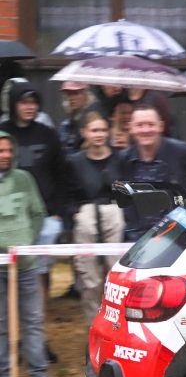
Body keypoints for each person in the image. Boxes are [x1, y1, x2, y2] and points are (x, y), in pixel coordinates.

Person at [0, 80, 68, 306]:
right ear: (13, 104)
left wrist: (57, 210)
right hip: (9, 217)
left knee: (41, 269)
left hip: (45, 213)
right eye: (24, 102)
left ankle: (39, 315)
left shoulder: (48, 134)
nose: (30, 107)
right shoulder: (4, 135)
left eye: (34, 102)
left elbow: (61, 173)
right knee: (7, 272)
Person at [0, 130, 57, 377]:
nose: (5, 155)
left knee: (32, 321)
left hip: (27, 265)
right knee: (0, 323)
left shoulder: (24, 179)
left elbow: (38, 213)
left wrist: (26, 240)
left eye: (8, 150)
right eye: (0, 150)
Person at [115, 105, 186, 241]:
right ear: (131, 128)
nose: (145, 130)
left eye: (150, 124)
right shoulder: (124, 159)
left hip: (178, 238)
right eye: (140, 125)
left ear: (161, 126)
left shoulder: (182, 153)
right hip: (139, 240)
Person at [68, 112, 124, 323]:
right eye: (94, 130)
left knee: (116, 275)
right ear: (84, 132)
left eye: (102, 130)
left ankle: (118, 323)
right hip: (86, 219)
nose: (99, 134)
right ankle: (93, 325)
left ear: (108, 132)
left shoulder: (120, 158)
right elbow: (68, 194)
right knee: (90, 279)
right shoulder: (74, 162)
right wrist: (75, 213)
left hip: (115, 215)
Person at [57, 80, 92, 156]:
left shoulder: (93, 121)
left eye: (75, 93)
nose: (71, 98)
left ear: (86, 95)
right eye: (68, 94)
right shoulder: (65, 124)